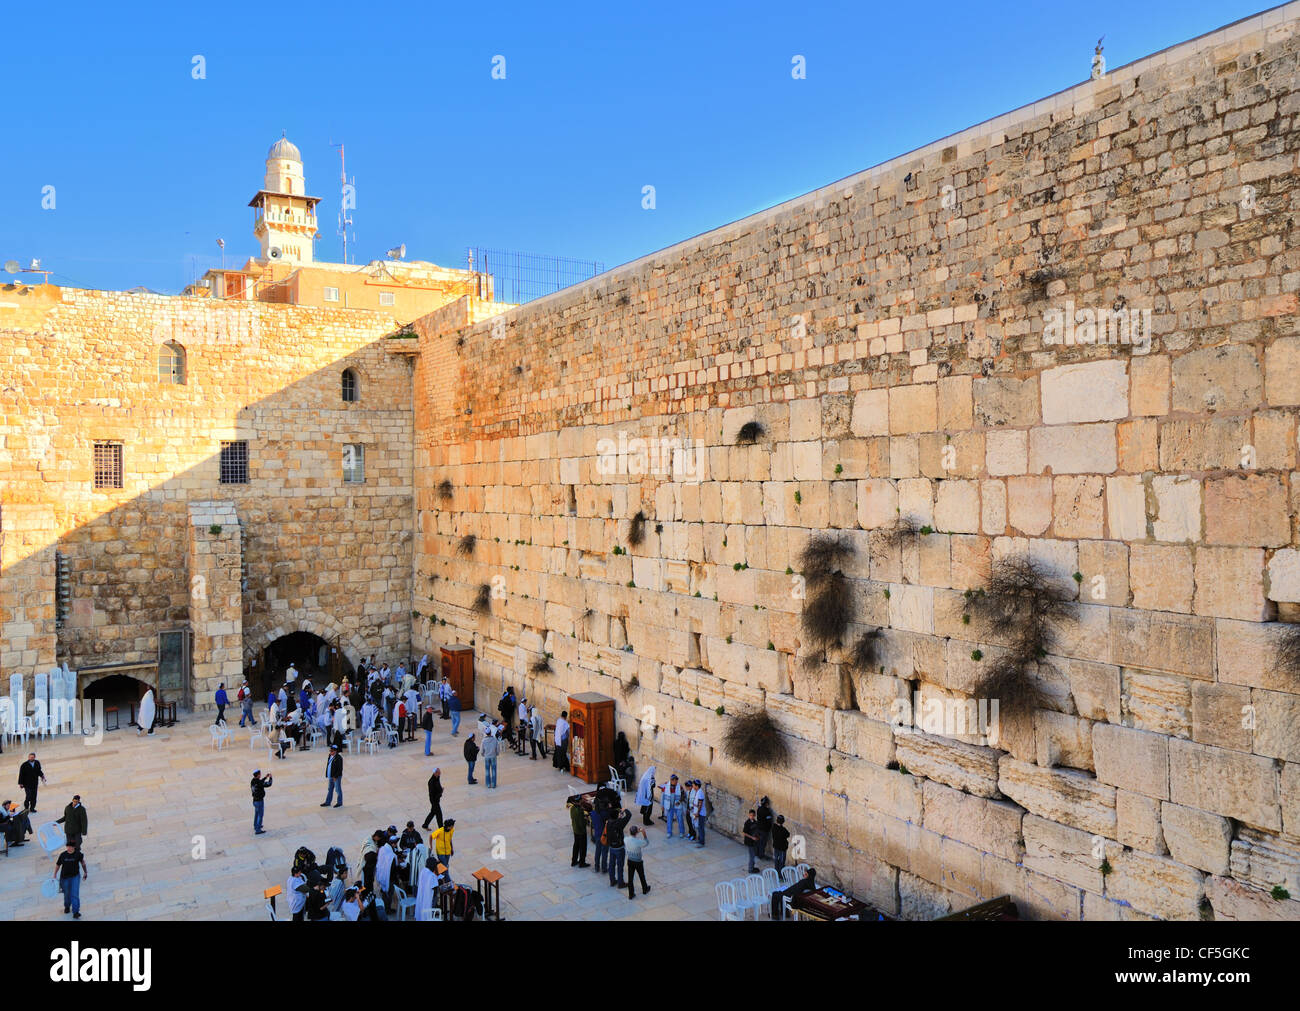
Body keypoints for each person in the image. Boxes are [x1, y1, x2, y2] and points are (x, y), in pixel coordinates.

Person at [53, 843, 87, 918]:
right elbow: (58, 865)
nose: (69, 848)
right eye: (67, 846)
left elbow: (83, 864)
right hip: (64, 878)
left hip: (75, 877)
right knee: (67, 894)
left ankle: (76, 912)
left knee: (74, 894)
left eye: (70, 847)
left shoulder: (78, 854)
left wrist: (85, 872)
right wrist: (55, 874)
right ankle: (67, 906)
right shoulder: (63, 855)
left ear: (74, 847)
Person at [604, 807, 631, 889]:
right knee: (620, 866)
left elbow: (615, 820)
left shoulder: (608, 822)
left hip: (611, 847)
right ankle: (620, 883)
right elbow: (629, 815)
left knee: (612, 865)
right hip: (619, 848)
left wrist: (619, 817)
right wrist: (625, 809)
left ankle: (612, 881)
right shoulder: (619, 823)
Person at [624, 825, 651, 900]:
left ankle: (631, 894)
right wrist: (643, 833)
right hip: (638, 861)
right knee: (641, 875)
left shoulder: (626, 839)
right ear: (636, 833)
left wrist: (636, 832)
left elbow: (627, 838)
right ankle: (645, 889)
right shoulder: (638, 842)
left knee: (630, 878)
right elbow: (646, 842)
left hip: (630, 860)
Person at [660, 774, 686, 839]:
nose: (676, 782)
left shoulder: (680, 787)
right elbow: (662, 796)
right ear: (671, 780)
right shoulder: (666, 786)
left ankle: (681, 832)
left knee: (680, 819)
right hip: (669, 805)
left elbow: (683, 795)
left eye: (677, 780)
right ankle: (669, 832)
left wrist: (679, 801)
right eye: (675, 780)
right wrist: (662, 805)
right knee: (669, 819)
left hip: (678, 806)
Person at [590, 792, 610, 875]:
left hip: (597, 834)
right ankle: (604, 868)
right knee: (604, 852)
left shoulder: (593, 813)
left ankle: (596, 866)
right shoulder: (604, 813)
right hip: (604, 835)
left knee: (598, 851)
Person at [569, 798, 590, 868]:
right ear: (578, 802)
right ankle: (582, 862)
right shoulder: (580, 811)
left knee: (576, 846)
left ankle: (574, 860)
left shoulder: (572, 808)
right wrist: (586, 820)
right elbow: (582, 823)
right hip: (581, 831)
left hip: (575, 829)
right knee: (583, 847)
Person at [250, 770, 272, 835]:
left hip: (255, 801)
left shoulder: (253, 780)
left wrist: (265, 777)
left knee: (256, 813)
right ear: (258, 775)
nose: (261, 775)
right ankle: (258, 829)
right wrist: (270, 778)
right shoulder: (259, 783)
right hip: (259, 801)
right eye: (260, 774)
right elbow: (268, 784)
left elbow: (260, 782)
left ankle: (255, 825)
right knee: (260, 815)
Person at [755, 796, 774, 860]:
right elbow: (769, 821)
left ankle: (757, 853)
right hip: (764, 830)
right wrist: (769, 828)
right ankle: (761, 855)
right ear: (766, 803)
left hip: (758, 828)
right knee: (762, 843)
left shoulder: (759, 809)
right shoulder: (767, 811)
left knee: (758, 841)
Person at [693, 781, 710, 847]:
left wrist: (697, 813)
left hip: (701, 814)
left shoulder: (700, 793)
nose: (693, 786)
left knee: (701, 828)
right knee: (699, 827)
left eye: (694, 785)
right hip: (699, 813)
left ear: (697, 786)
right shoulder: (698, 792)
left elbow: (700, 804)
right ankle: (700, 839)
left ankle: (701, 842)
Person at [742, 809, 760, 873]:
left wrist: (757, 837)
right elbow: (744, 833)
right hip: (750, 842)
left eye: (753, 815)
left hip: (754, 842)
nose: (751, 816)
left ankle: (752, 867)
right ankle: (750, 869)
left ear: (754, 815)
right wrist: (752, 837)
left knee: (753, 855)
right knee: (752, 856)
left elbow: (756, 830)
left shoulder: (755, 822)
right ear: (749, 815)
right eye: (750, 815)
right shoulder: (747, 823)